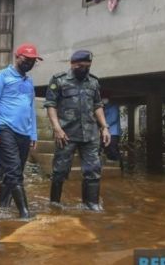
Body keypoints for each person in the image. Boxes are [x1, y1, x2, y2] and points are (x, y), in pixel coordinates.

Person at [44, 50, 111, 211]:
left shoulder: (93, 82)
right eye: (81, 66)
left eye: (88, 66)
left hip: (90, 134)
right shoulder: (59, 80)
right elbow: (51, 105)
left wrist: (104, 127)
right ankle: (54, 203)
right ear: (73, 64)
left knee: (93, 170)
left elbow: (97, 105)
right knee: (60, 171)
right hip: (66, 134)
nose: (85, 69)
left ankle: (91, 203)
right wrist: (57, 128)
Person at [0, 43, 42, 218]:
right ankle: (24, 213)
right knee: (15, 170)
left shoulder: (29, 81)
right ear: (17, 57)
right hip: (5, 127)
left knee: (13, 172)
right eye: (27, 60)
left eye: (33, 61)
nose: (30, 63)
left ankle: (2, 208)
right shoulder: (1, 76)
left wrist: (33, 133)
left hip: (24, 132)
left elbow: (31, 107)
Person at [101, 90, 122, 167]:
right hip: (106, 132)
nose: (104, 99)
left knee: (113, 150)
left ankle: (119, 167)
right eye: (102, 98)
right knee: (107, 150)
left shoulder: (113, 106)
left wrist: (102, 125)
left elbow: (113, 119)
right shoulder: (103, 107)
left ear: (108, 98)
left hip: (113, 133)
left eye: (105, 98)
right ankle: (113, 167)